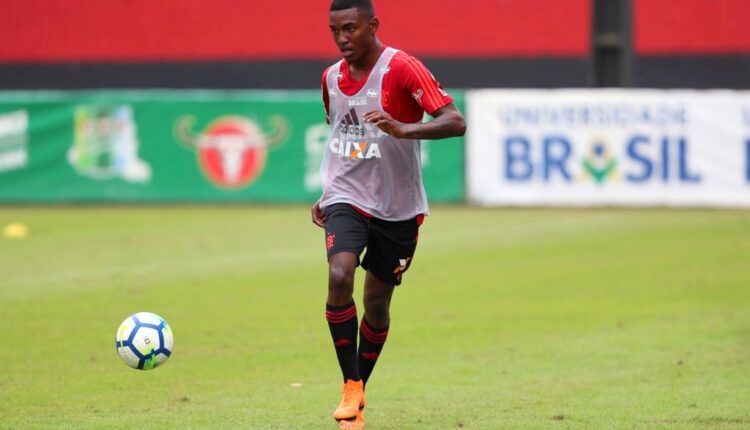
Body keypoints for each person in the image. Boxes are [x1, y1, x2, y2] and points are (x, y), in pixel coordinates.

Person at [311, 0, 466, 428]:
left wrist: (405, 128)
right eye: (334, 31)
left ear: (372, 25)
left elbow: (455, 121)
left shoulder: (402, 69)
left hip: (398, 209)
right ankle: (349, 384)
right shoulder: (329, 79)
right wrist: (327, 192)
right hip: (346, 197)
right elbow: (341, 137)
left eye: (350, 29)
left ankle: (359, 390)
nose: (342, 39)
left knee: (376, 305)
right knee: (340, 275)